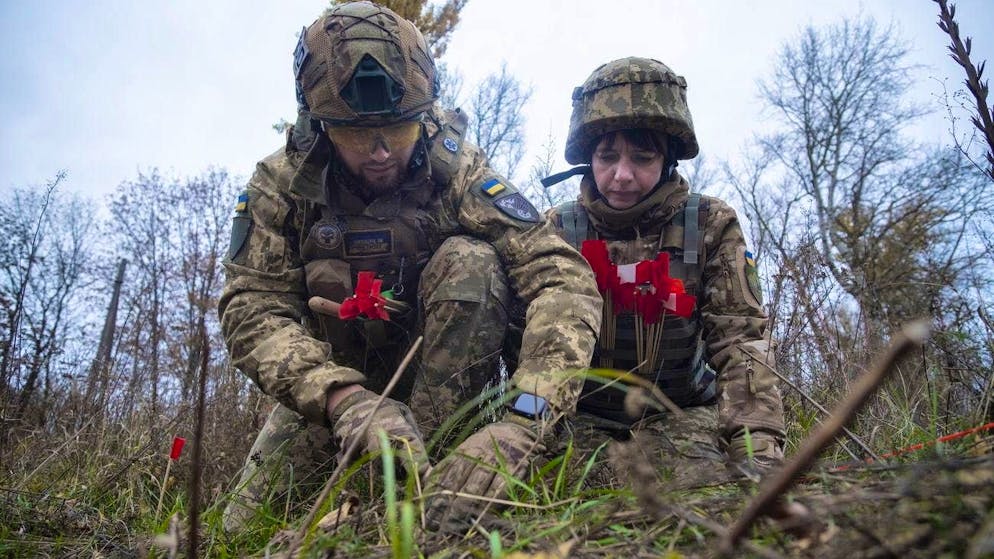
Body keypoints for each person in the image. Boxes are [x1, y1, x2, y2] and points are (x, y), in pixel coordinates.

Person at [218, 2, 600, 533]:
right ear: (321, 125)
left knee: (473, 262)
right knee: (238, 529)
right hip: (332, 393)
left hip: (436, 388)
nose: (379, 153)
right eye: (356, 135)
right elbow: (250, 307)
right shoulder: (281, 185)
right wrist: (340, 397)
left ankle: (435, 474)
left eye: (397, 132)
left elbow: (562, 279)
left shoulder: (459, 171)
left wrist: (527, 420)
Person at [542, 57, 785, 485]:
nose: (622, 175)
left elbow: (739, 340)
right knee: (559, 492)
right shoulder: (558, 229)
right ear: (588, 158)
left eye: (642, 157)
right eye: (607, 156)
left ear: (668, 159)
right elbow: (526, 344)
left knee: (699, 497)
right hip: (579, 420)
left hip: (681, 415)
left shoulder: (709, 224)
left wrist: (757, 447)